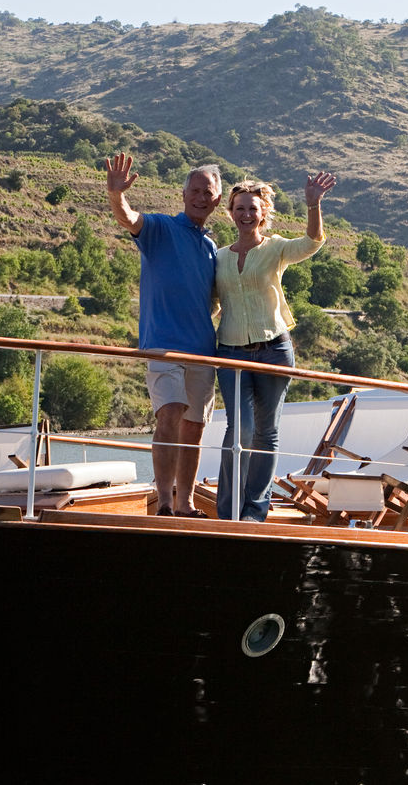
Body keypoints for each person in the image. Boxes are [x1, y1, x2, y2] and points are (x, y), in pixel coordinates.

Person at [213, 171, 335, 521]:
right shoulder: (218, 257)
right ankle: (229, 510)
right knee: (239, 430)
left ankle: (254, 511)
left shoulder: (276, 248)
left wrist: (313, 204)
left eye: (252, 208)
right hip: (231, 351)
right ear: (231, 212)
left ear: (263, 212)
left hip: (274, 350)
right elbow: (212, 304)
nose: (246, 214)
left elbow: (312, 242)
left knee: (266, 433)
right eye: (239, 208)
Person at [105, 151, 220, 516]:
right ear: (183, 195)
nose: (201, 197)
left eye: (208, 192)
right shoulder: (160, 228)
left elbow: (212, 301)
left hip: (203, 351)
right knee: (169, 413)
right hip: (163, 347)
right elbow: (128, 218)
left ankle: (186, 503)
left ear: (217, 199)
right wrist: (116, 194)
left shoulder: (212, 248)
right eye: (195, 190)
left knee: (194, 428)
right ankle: (165, 503)